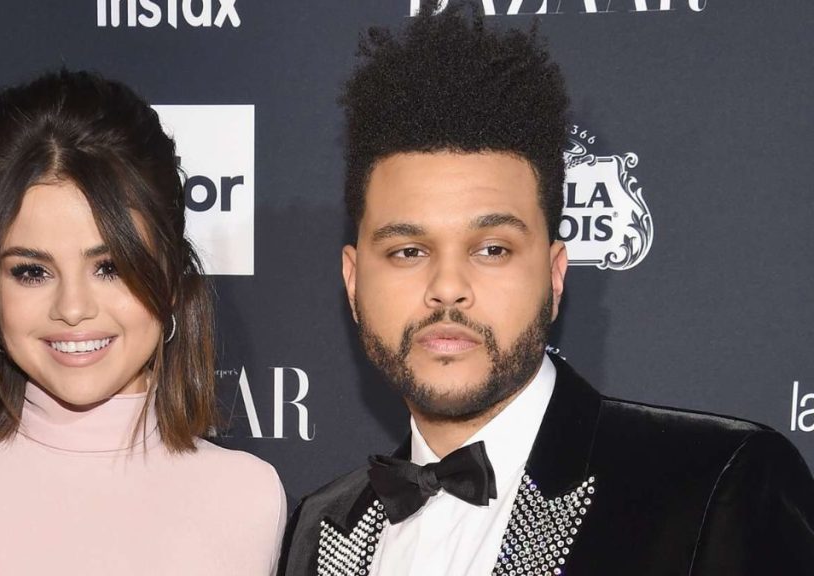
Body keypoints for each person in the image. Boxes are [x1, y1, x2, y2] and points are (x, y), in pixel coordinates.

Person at [277, 4, 814, 576]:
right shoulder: (320, 527)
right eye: (408, 251)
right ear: (353, 281)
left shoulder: (717, 485)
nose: (448, 288)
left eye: (492, 249)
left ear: (555, 275)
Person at [0, 70, 285, 575]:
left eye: (110, 267)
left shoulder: (251, 500)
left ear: (172, 278)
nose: (73, 307)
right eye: (32, 271)